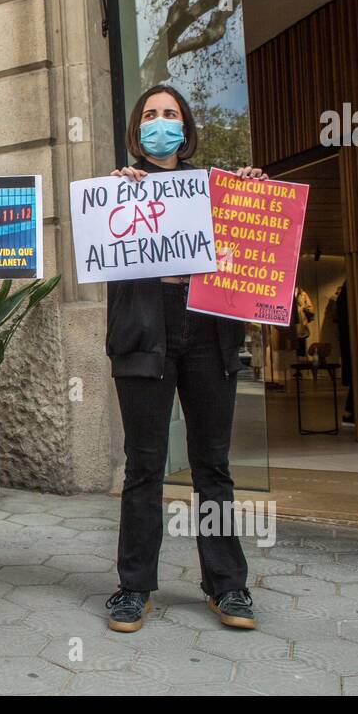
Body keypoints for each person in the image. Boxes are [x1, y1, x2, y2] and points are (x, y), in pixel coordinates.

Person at [103, 83, 266, 634]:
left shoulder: (217, 189)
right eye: (150, 114)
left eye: (170, 114)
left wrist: (252, 198)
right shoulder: (117, 189)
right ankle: (133, 587)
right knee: (144, 465)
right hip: (144, 328)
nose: (160, 122)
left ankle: (226, 584)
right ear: (137, 129)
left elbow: (252, 247)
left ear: (186, 128)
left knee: (212, 465)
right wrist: (117, 198)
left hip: (209, 329)